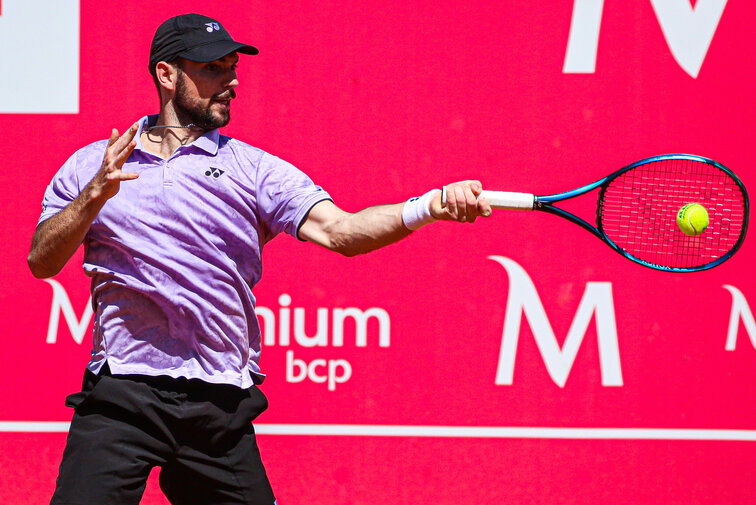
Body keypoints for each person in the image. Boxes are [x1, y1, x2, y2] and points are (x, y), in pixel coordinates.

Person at [28, 13, 492, 505]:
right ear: (167, 75)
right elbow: (41, 260)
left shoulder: (253, 170)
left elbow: (342, 231)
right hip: (122, 395)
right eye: (213, 69)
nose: (230, 82)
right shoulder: (92, 166)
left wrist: (430, 206)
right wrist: (92, 198)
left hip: (218, 405)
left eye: (232, 69)